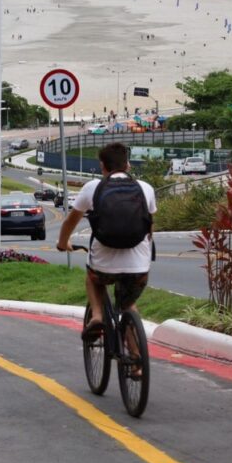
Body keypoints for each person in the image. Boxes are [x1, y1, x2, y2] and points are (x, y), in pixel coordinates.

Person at [56, 143, 157, 355]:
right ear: (127, 165)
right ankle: (137, 363)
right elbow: (150, 227)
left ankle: (97, 317)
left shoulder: (92, 188)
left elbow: (69, 223)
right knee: (127, 304)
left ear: (102, 166)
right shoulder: (145, 188)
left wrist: (62, 243)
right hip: (138, 265)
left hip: (103, 263)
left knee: (93, 278)